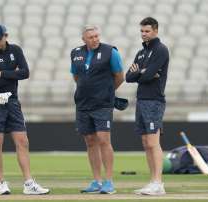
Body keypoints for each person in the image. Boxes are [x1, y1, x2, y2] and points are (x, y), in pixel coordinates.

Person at [0, 24, 49, 195]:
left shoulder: (16, 50)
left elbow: (25, 72)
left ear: (6, 36)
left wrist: (2, 73)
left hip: (12, 100)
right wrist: (11, 73)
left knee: (22, 141)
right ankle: (1, 183)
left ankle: (28, 183)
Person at [70, 25, 124, 194]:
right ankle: (96, 181)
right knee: (90, 141)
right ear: (84, 39)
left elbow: (120, 77)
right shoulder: (75, 53)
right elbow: (76, 76)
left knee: (103, 139)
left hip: (102, 104)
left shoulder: (110, 52)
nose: (95, 39)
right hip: (83, 104)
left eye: (96, 36)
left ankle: (109, 182)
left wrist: (106, 92)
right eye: (91, 37)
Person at [125, 17, 169, 195]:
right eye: (142, 31)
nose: (144, 34)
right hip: (141, 99)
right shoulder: (141, 52)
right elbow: (129, 77)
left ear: (156, 31)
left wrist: (141, 72)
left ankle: (159, 183)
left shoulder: (160, 50)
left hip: (154, 100)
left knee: (153, 142)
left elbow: (147, 76)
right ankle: (152, 182)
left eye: (147, 31)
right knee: (145, 142)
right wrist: (143, 72)